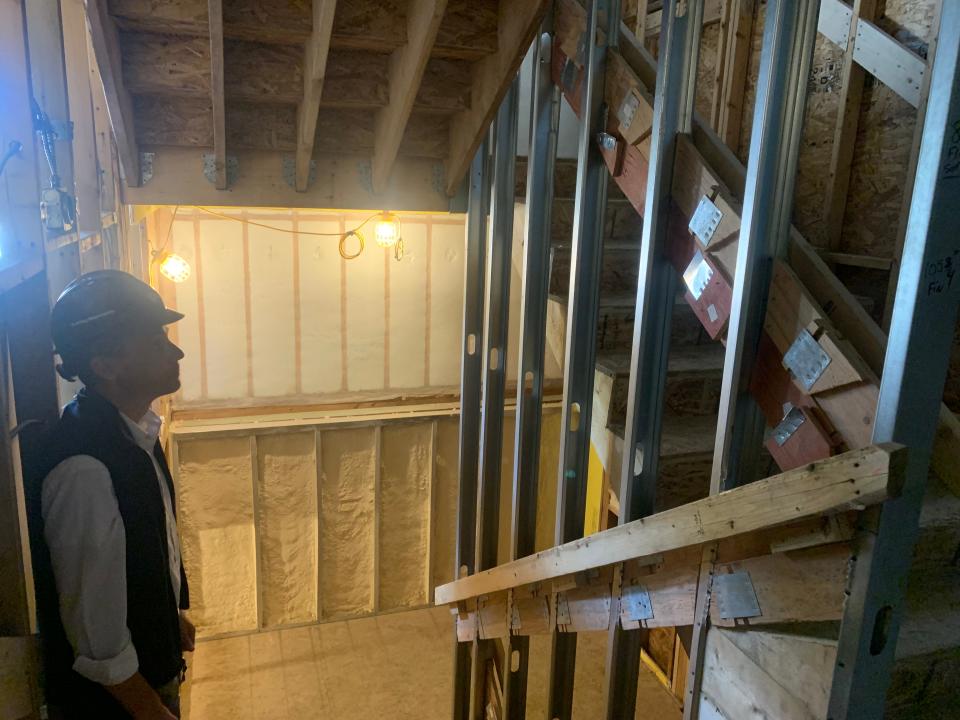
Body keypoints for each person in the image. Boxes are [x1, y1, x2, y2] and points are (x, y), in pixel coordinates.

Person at [32, 270, 194, 719]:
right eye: (156, 342)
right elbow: (96, 637)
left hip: (143, 680)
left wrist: (168, 616)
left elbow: (142, 550)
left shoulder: (131, 431)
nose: (176, 351)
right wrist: (152, 711)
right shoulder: (84, 467)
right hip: (117, 706)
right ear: (105, 365)